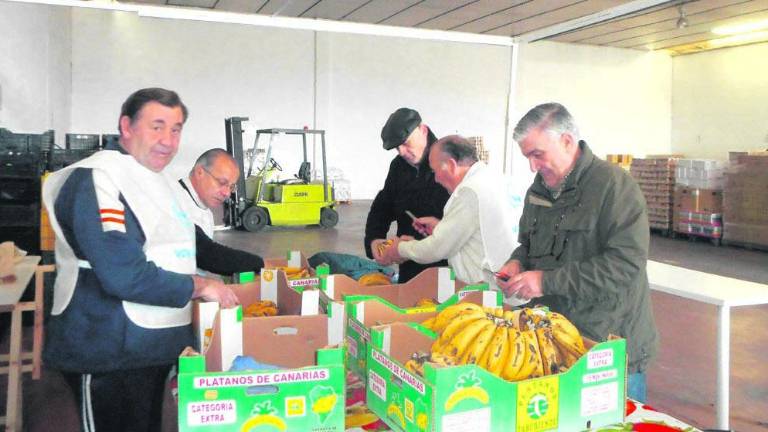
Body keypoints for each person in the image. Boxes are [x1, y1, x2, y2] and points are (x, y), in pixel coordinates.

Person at [41, 88, 239, 432]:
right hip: (107, 349)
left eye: (176, 129)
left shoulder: (152, 180)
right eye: (157, 126)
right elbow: (122, 274)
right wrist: (201, 285)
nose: (168, 140)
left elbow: (187, 246)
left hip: (151, 347)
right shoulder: (99, 179)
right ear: (127, 126)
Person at [496, 102, 658, 402]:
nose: (532, 166)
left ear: (567, 141)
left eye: (537, 155)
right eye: (527, 157)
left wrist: (545, 282)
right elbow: (529, 244)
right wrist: (518, 261)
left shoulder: (614, 186)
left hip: (606, 343)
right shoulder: (540, 189)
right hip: (554, 340)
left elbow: (624, 265)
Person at [381, 135, 525, 304]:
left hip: (495, 296)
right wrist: (442, 228)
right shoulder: (494, 178)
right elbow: (482, 231)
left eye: (435, 171)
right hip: (514, 286)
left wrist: (400, 249)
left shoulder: (470, 191)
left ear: (450, 164)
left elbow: (436, 249)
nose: (435, 179)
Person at [364, 107, 450, 282]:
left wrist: (440, 231)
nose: (402, 152)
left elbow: (465, 223)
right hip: (409, 266)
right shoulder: (399, 166)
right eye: (397, 148)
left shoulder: (451, 163)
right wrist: (374, 240)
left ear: (423, 130)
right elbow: (384, 204)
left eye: (405, 143)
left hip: (447, 269)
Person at [174, 148, 264, 276]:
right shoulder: (174, 200)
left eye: (231, 187)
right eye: (222, 183)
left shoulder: (204, 210)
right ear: (200, 172)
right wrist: (259, 264)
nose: (226, 193)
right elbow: (207, 254)